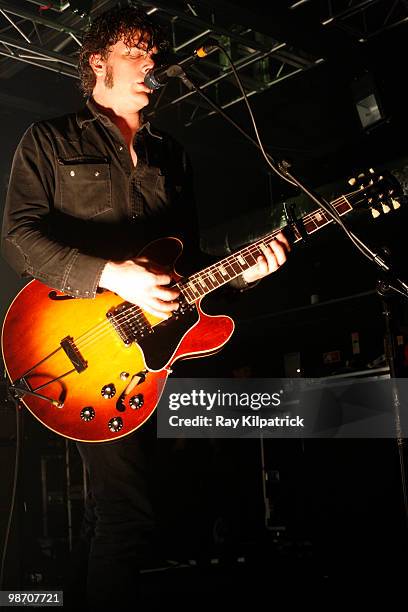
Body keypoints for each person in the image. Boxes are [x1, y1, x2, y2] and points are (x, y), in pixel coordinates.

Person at [1, 5, 289, 606]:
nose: (151, 64)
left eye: (154, 55)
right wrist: (111, 274)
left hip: (152, 354)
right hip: (80, 345)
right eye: (135, 53)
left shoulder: (172, 155)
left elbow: (190, 265)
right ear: (97, 63)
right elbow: (18, 238)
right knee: (130, 517)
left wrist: (246, 275)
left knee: (122, 512)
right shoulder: (50, 140)